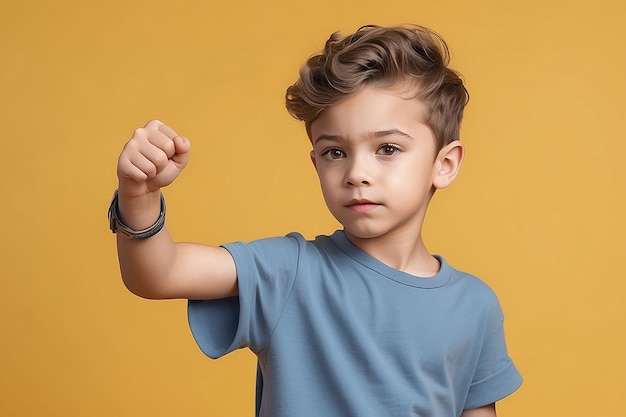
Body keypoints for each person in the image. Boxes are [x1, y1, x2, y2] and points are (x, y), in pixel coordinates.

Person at [109, 24, 522, 417]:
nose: (357, 173)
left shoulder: (475, 306)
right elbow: (158, 275)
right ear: (316, 164)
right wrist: (139, 196)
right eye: (335, 152)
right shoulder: (289, 271)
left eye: (388, 149)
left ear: (444, 164)